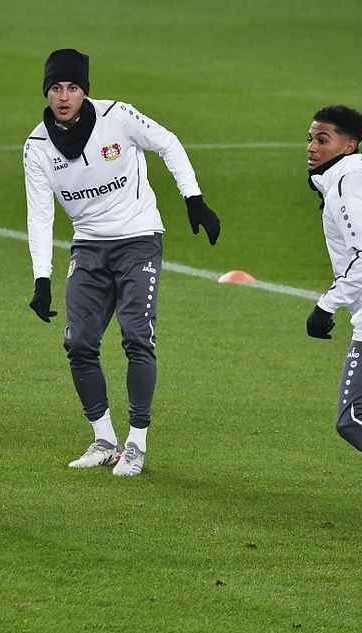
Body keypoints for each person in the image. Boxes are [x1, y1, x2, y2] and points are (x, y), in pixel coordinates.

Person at [24, 48, 220, 476]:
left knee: (136, 337)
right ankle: (104, 439)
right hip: (88, 247)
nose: (63, 96)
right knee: (78, 343)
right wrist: (42, 278)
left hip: (138, 241)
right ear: (46, 92)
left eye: (72, 87)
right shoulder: (37, 146)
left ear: (84, 91)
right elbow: (39, 215)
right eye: (56, 88)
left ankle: (136, 443)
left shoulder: (118, 116)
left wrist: (194, 199)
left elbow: (168, 142)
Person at [305, 105, 362, 531]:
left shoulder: (349, 187)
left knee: (355, 419)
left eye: (323, 139)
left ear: (348, 145)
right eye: (310, 138)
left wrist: (327, 304)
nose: (311, 147)